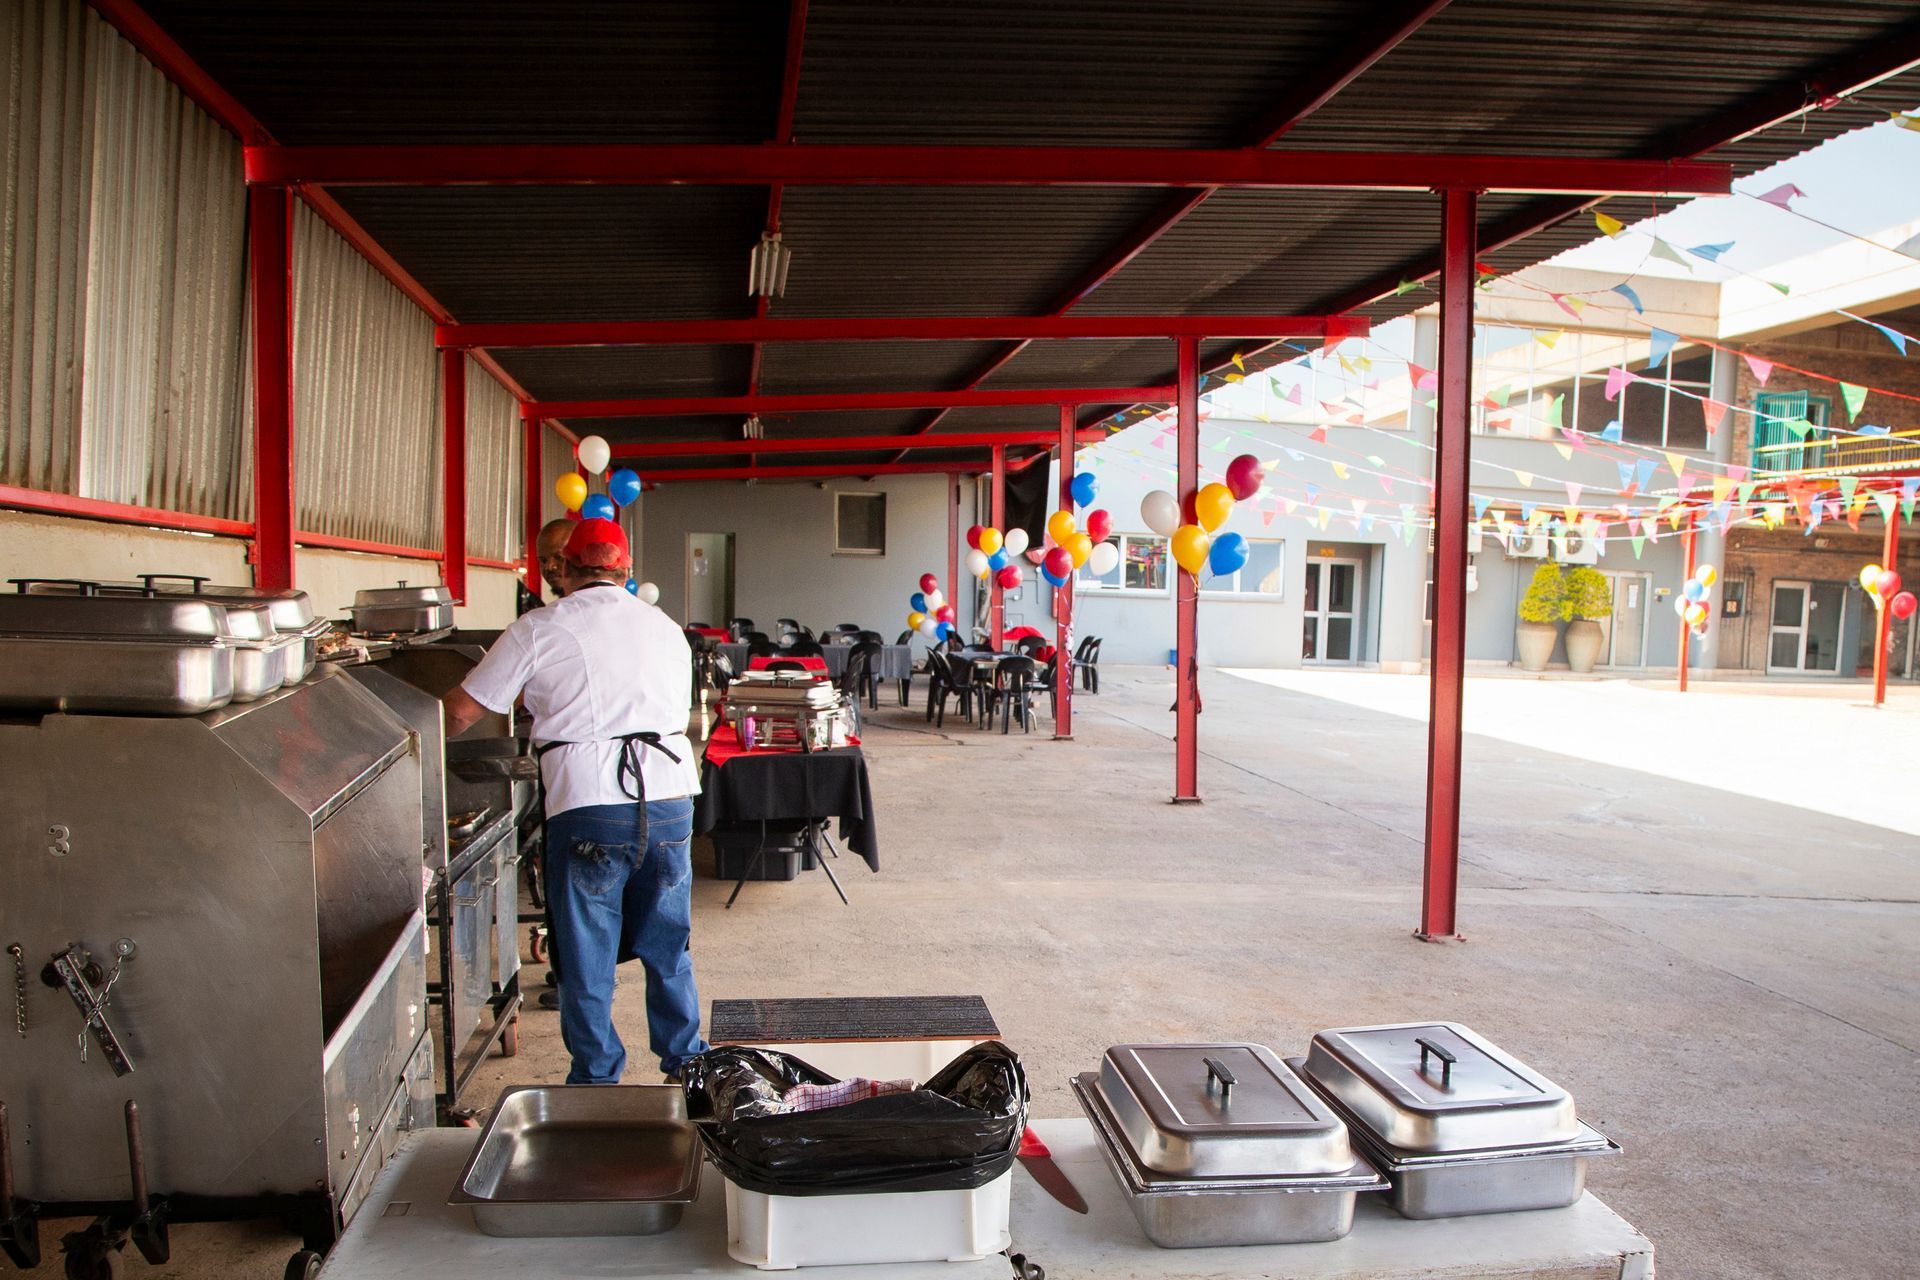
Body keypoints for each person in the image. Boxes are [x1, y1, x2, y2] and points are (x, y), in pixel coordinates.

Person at [442, 518, 707, 1083]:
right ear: (626, 570)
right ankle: (687, 1065)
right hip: (669, 797)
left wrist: (406, 728)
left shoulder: (539, 627)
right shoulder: (664, 627)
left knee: (587, 952)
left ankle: (596, 1076)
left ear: (563, 568)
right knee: (668, 943)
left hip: (589, 803)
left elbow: (463, 711)